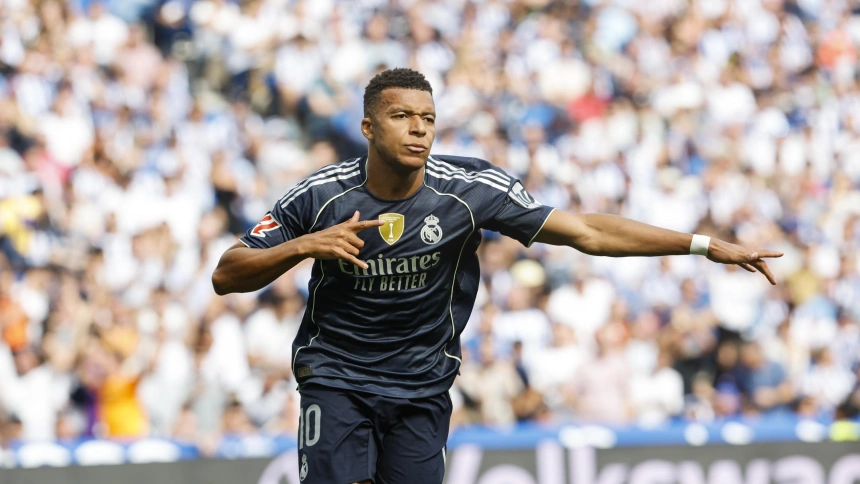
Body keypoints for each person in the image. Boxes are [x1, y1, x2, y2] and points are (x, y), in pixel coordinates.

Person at [211, 68, 782, 484]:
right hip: (338, 375)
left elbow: (588, 232)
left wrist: (703, 246)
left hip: (421, 384)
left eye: (428, 119)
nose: (419, 130)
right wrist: (306, 246)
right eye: (402, 116)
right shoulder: (322, 194)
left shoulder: (468, 190)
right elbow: (226, 273)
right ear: (367, 126)